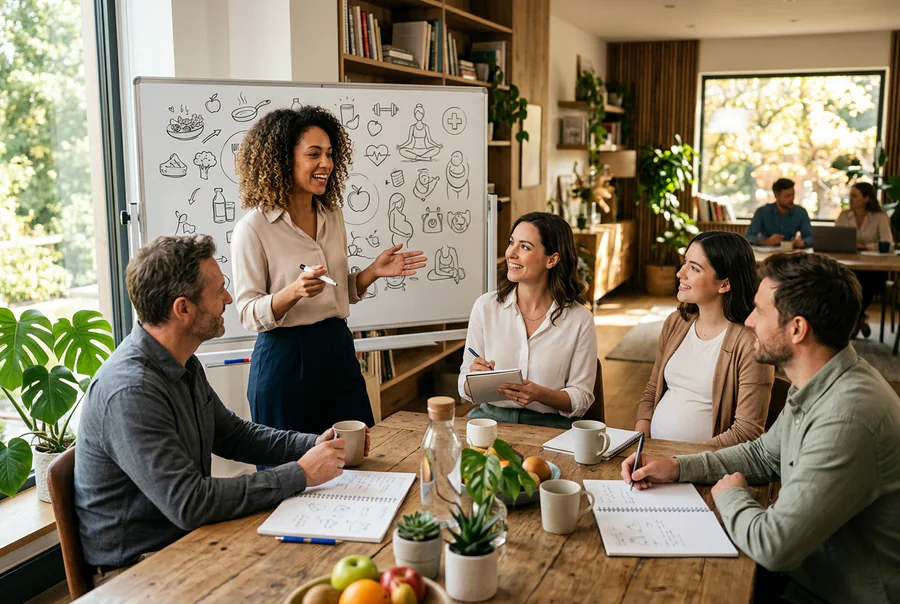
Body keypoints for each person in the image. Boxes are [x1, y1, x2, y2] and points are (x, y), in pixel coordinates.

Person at [74, 235, 369, 582]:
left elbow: (232, 435)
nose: (229, 298)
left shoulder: (180, 360)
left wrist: (314, 444)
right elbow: (190, 503)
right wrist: (301, 473)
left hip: (185, 541)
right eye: (219, 291)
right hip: (138, 570)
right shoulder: (131, 391)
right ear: (183, 309)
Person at [621, 252, 900, 604]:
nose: (750, 321)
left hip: (826, 594)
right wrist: (676, 466)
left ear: (797, 329)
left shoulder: (847, 418)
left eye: (760, 312)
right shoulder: (819, 380)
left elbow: (774, 547)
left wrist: (732, 495)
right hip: (804, 574)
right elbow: (764, 455)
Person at [231, 107, 426, 436]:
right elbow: (249, 313)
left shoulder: (332, 215)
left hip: (337, 348)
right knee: (294, 463)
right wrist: (294, 292)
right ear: (283, 159)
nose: (326, 163)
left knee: (358, 452)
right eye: (314, 154)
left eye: (330, 154)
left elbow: (334, 289)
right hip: (284, 358)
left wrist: (372, 272)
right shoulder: (253, 228)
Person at [458, 212, 597, 429]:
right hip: (489, 421)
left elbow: (582, 398)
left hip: (550, 428)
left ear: (552, 260)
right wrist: (473, 379)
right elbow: (463, 384)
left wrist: (540, 394)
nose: (511, 253)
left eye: (524, 247)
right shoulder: (485, 307)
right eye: (511, 243)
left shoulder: (580, 319)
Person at [634, 231, 774, 446]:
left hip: (708, 462)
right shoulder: (676, 322)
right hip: (655, 454)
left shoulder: (750, 344)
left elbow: (747, 431)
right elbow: (653, 390)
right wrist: (641, 442)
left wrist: (682, 461)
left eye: (694, 268)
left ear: (724, 284)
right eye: (685, 262)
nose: (680, 273)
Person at [834, 181, 894, 338]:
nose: (850, 199)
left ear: (866, 199)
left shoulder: (880, 217)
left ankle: (854, 320)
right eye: (850, 195)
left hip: (873, 268)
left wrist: (865, 246)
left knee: (863, 281)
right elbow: (835, 239)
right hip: (848, 264)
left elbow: (888, 244)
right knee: (842, 280)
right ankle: (859, 319)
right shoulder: (844, 216)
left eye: (854, 196)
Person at [745, 178, 812, 248]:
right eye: (787, 196)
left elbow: (810, 237)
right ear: (776, 196)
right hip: (767, 252)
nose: (791, 199)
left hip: (790, 252)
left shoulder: (800, 212)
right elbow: (749, 237)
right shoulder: (762, 212)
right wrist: (768, 241)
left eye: (793, 195)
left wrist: (802, 243)